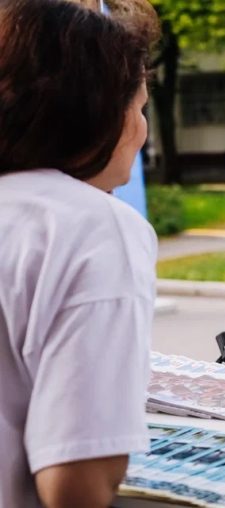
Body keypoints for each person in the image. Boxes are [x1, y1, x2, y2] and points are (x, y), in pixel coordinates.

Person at [0, 1, 159, 506]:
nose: (142, 129)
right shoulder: (94, 228)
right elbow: (75, 481)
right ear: (97, 110)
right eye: (139, 107)